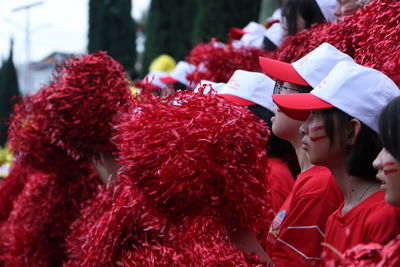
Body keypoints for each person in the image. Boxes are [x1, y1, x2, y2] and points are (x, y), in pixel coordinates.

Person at [272, 59, 400, 262]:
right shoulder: (337, 214)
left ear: (351, 130)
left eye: (315, 116)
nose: (303, 127)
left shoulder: (384, 215)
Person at [259, 42, 347, 266]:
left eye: (282, 87)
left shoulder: (320, 185)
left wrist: (240, 238)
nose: (274, 100)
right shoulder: (311, 178)